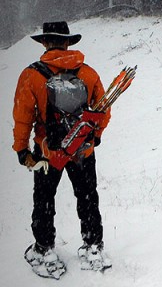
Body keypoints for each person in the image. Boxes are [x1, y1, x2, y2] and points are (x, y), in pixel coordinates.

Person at [12, 21, 112, 276]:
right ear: (68, 42)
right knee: (88, 197)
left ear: (45, 43)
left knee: (44, 201)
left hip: (47, 152)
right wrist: (95, 136)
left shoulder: (31, 75)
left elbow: (23, 116)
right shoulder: (88, 73)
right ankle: (93, 248)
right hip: (82, 150)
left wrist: (22, 150)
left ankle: (45, 250)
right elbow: (103, 108)